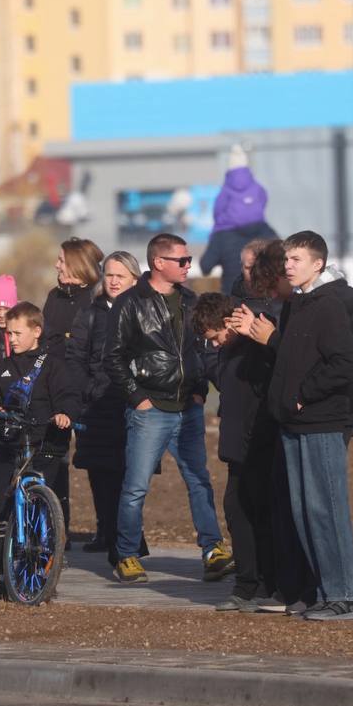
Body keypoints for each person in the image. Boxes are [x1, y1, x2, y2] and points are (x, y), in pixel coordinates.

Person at [240, 231, 353, 621]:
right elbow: (293, 358)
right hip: (292, 422)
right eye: (287, 259)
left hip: (321, 421)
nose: (288, 266)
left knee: (326, 509)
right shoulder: (298, 304)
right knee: (303, 510)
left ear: (318, 264)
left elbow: (342, 365)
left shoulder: (329, 304)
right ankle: (323, 593)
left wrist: (303, 394)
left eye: (297, 259)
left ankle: (345, 596)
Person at [104, 233, 232, 584]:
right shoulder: (130, 303)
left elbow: (203, 351)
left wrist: (200, 392)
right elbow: (111, 358)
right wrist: (137, 398)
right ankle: (127, 555)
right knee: (135, 487)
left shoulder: (192, 301)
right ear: (159, 263)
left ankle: (213, 550)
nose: (189, 266)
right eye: (182, 261)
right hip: (150, 410)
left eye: (189, 260)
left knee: (199, 481)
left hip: (187, 409)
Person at [0, 302, 81, 600]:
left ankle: (44, 572)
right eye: (10, 333)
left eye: (18, 333)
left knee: (43, 510)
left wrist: (64, 414)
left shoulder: (54, 365)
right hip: (12, 444)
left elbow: (69, 396)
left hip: (46, 444)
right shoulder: (3, 368)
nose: (13, 339)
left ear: (37, 332)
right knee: (1, 510)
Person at [192, 292, 284, 613]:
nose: (215, 344)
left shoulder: (255, 346)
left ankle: (264, 584)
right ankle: (248, 584)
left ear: (228, 325)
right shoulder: (226, 353)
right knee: (237, 511)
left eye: (216, 337)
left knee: (258, 515)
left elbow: (277, 370)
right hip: (237, 448)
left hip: (259, 444)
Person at [67, 250, 141, 564]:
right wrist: (88, 390)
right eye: (109, 275)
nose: (113, 281)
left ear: (134, 280)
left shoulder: (144, 309)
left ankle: (127, 538)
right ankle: (108, 532)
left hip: (132, 402)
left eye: (120, 276)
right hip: (97, 404)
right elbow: (75, 357)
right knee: (100, 473)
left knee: (129, 474)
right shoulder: (91, 312)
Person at [42, 237, 103, 538]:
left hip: (91, 390)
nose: (57, 265)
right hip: (58, 388)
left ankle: (109, 530)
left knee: (100, 460)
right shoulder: (54, 296)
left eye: (62, 260)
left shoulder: (97, 297)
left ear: (78, 264)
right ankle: (58, 528)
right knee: (54, 458)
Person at [200, 145, 277, 294]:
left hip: (234, 302)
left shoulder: (221, 236)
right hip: (267, 306)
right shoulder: (269, 234)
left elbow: (205, 267)